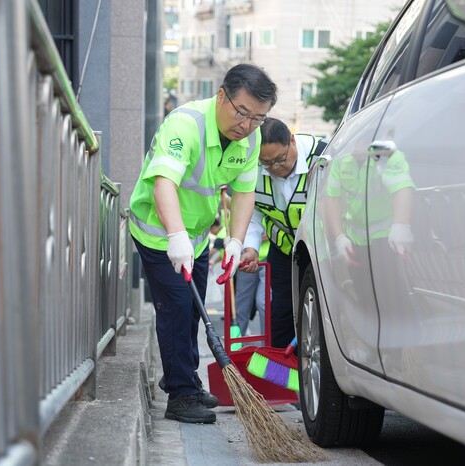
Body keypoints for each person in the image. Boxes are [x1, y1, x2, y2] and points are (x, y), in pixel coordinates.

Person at [129, 63, 278, 423]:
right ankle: (180, 396)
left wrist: (235, 241)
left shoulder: (251, 139)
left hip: (195, 238)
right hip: (159, 233)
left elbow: (244, 192)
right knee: (177, 309)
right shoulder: (186, 124)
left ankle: (185, 379)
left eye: (257, 118)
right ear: (222, 96)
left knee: (194, 312)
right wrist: (175, 235)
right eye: (242, 112)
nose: (247, 125)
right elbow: (164, 182)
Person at [239, 118, 327, 348]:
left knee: (324, 312)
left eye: (280, 159)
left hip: (321, 251)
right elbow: (252, 213)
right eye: (267, 163)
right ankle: (282, 366)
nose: (275, 167)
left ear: (292, 141)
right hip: (284, 249)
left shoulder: (323, 157)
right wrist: (251, 248)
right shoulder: (253, 167)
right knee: (281, 312)